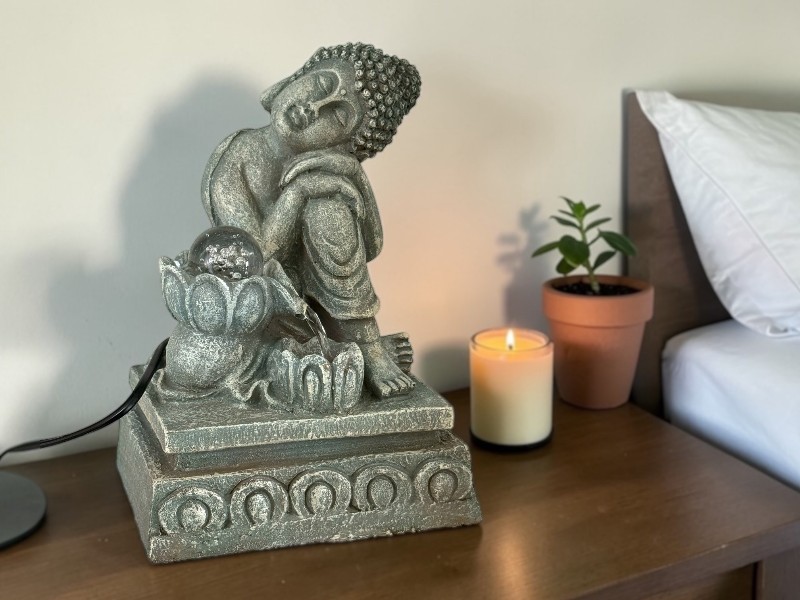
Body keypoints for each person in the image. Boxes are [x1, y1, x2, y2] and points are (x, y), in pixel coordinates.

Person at [202, 43, 421, 399]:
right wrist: (297, 193)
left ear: (344, 143)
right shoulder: (237, 159)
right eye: (321, 85)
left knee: (328, 211)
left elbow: (372, 246)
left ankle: (365, 346)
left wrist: (353, 174)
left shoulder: (325, 165)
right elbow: (253, 258)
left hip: (324, 304)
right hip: (266, 306)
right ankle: (342, 351)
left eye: (339, 117)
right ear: (296, 77)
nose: (314, 108)